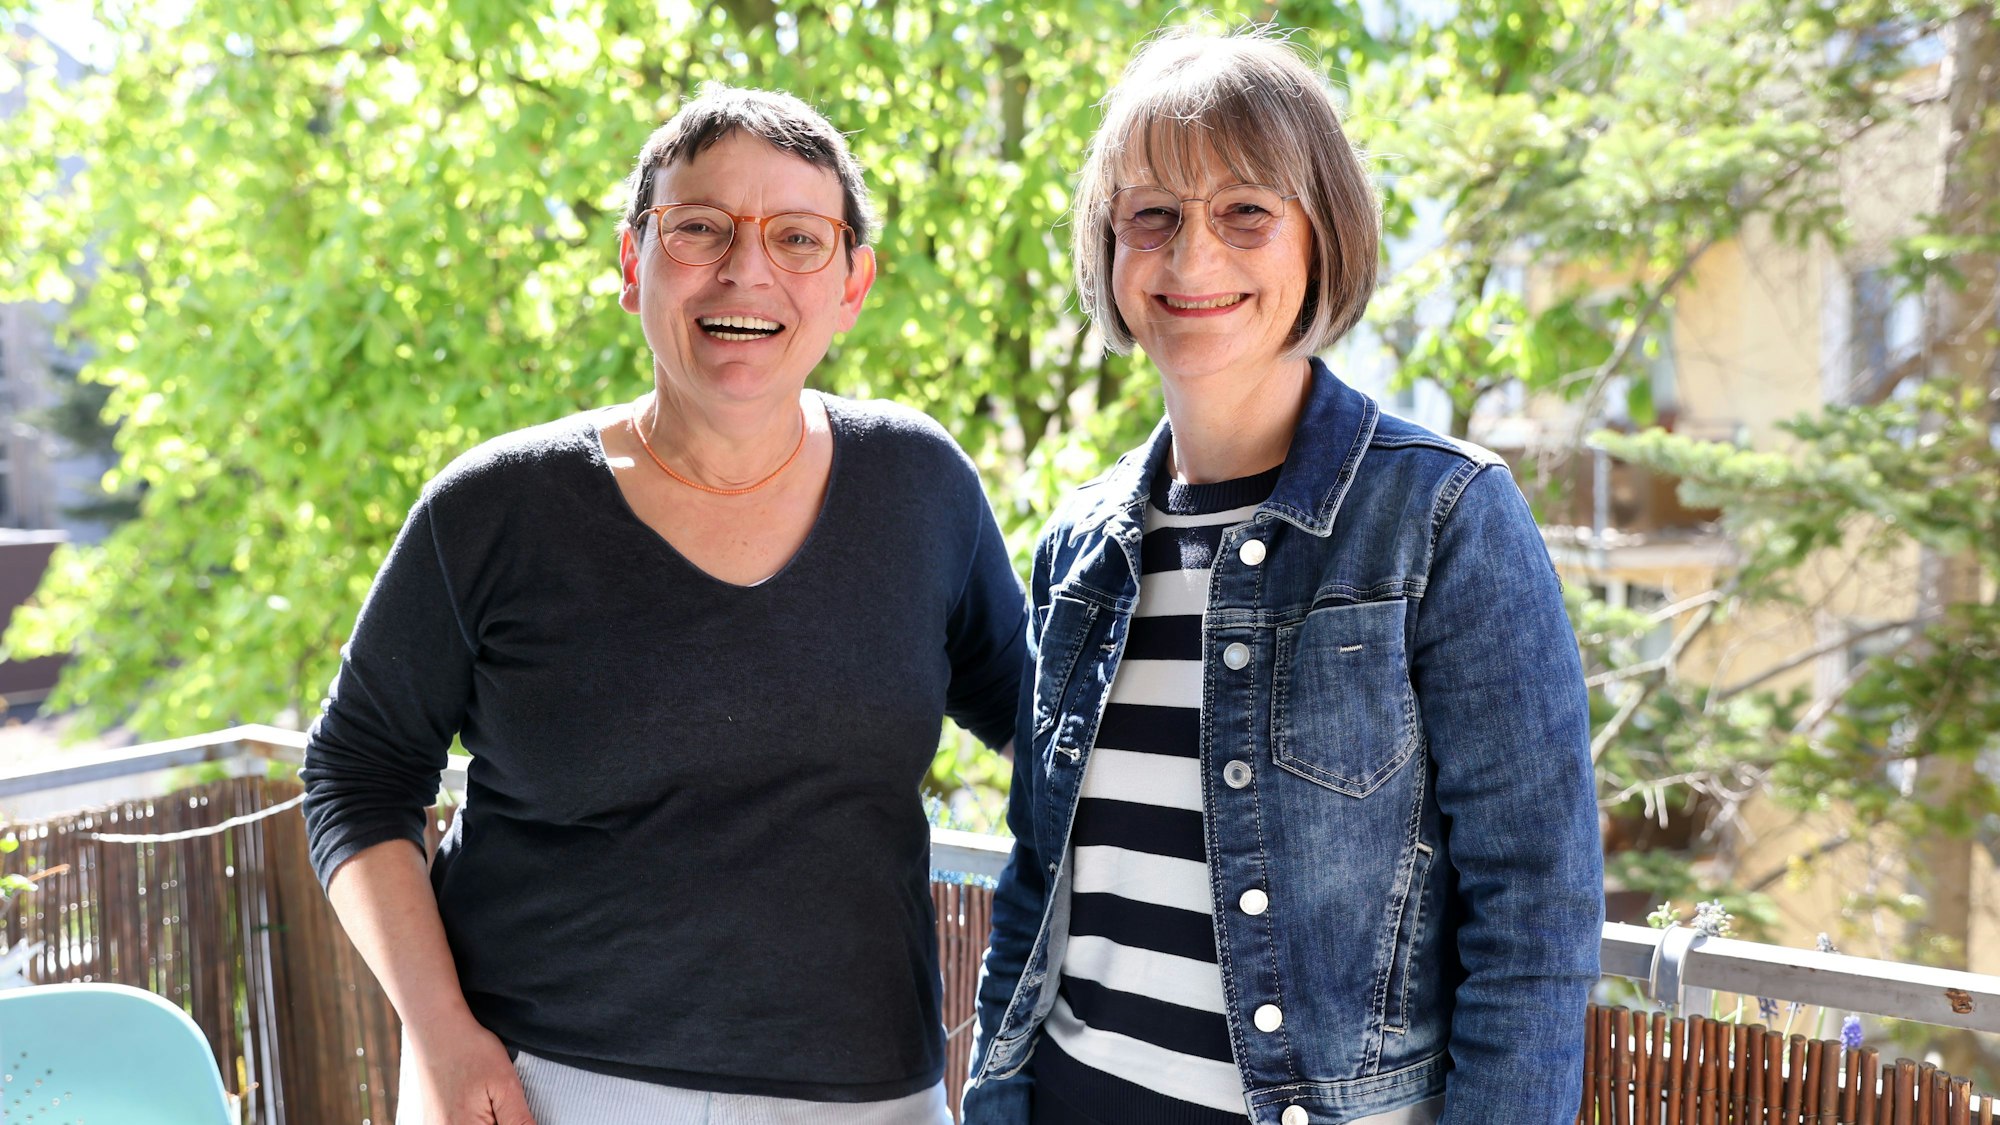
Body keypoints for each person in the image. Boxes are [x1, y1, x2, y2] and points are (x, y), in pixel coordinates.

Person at [301, 86, 1024, 1125]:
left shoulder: (920, 488)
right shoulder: (493, 509)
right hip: (542, 1082)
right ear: (632, 261)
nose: (745, 269)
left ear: (852, 283)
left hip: (866, 1095)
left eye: (796, 237)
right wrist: (444, 1038)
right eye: (698, 229)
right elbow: (356, 775)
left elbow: (1052, 732)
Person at [962, 29, 1601, 1125]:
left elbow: (1534, 919)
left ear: (1321, 239)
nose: (1190, 258)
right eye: (1150, 216)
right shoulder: (1078, 549)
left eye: (1244, 212)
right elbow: (1038, 876)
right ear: (1110, 253)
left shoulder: (1441, 515)